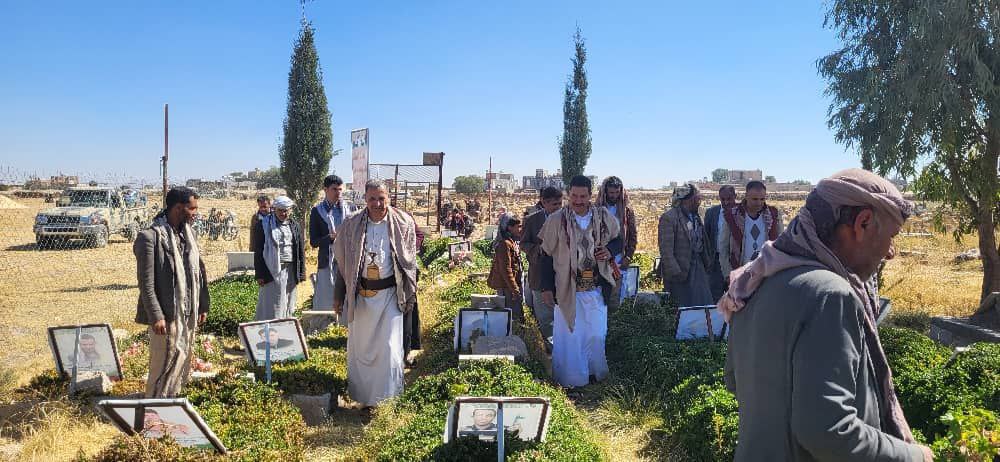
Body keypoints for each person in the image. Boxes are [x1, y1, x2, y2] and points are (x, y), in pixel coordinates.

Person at [721, 169, 932, 461]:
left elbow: (734, 381)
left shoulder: (753, 282)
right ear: (863, 223)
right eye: (891, 236)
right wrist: (914, 456)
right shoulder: (831, 295)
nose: (890, 252)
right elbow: (827, 430)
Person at [333, 180, 418, 408]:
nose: (377, 204)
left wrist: (410, 293)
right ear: (365, 199)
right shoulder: (352, 224)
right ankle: (364, 400)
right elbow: (343, 263)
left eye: (381, 198)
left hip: (390, 296)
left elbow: (410, 263)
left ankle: (387, 401)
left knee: (389, 348)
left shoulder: (403, 222)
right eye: (372, 199)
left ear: (388, 198)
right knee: (362, 350)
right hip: (361, 296)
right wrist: (339, 295)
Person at [539, 175, 620, 388]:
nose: (578, 200)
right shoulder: (556, 220)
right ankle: (571, 379)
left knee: (596, 333)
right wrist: (546, 287)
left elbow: (618, 240)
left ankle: (594, 374)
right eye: (574, 196)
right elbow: (545, 256)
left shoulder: (602, 216)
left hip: (595, 288)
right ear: (569, 194)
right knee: (571, 335)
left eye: (583, 196)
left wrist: (609, 251)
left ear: (590, 195)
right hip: (567, 289)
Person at [134, 186, 210, 398]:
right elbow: (146, 283)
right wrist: (156, 315)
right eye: (192, 208)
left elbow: (199, 271)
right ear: (178, 208)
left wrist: (202, 304)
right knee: (163, 363)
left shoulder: (188, 234)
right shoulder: (150, 238)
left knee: (182, 360)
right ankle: (154, 405)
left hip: (187, 312)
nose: (195, 213)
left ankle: (174, 402)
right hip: (167, 315)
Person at [519, 186, 563, 351]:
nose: (558, 208)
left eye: (560, 204)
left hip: (562, 275)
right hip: (539, 275)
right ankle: (553, 351)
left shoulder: (568, 218)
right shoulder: (532, 221)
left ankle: (564, 348)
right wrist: (538, 249)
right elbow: (523, 244)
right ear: (544, 203)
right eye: (554, 204)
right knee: (545, 317)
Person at [658, 183, 715, 307]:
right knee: (682, 308)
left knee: (703, 306)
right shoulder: (669, 218)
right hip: (680, 273)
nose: (699, 201)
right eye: (697, 197)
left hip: (698, 269)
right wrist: (676, 272)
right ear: (689, 199)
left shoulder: (696, 217)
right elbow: (666, 251)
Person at [309, 175, 356, 325]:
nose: (338, 193)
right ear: (325, 190)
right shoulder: (317, 211)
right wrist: (330, 237)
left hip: (347, 260)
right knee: (326, 297)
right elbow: (314, 241)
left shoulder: (351, 209)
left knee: (347, 296)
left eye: (340, 189)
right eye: (334, 189)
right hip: (327, 261)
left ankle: (345, 328)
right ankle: (324, 328)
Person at [253, 196, 306, 321]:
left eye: (286, 210)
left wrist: (301, 272)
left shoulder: (294, 225)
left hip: (291, 269)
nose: (283, 213)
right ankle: (270, 329)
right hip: (272, 269)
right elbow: (258, 250)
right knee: (272, 302)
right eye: (280, 210)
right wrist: (260, 274)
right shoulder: (263, 225)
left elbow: (299, 248)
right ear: (274, 209)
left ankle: (285, 325)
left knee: (288, 300)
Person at [720, 180, 784, 280]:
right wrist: (728, 274)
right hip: (740, 273)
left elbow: (781, 243)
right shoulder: (732, 216)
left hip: (767, 273)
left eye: (762, 199)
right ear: (746, 196)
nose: (759, 203)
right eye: (754, 199)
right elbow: (723, 248)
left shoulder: (773, 214)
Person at [595, 176, 637, 307]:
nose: (614, 196)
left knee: (616, 296)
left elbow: (632, 236)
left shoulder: (627, 211)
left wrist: (628, 256)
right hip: (600, 258)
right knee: (599, 296)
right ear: (605, 192)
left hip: (619, 259)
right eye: (611, 192)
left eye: (617, 192)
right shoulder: (596, 210)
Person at [487, 213, 524, 321]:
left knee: (515, 315)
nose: (520, 229)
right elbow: (506, 269)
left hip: (510, 286)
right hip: (507, 287)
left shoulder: (512, 242)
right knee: (512, 317)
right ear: (509, 227)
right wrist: (514, 289)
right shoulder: (504, 244)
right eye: (518, 227)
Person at [704, 185, 737, 299]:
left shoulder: (742, 212)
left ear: (735, 196)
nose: (726, 202)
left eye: (729, 199)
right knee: (714, 296)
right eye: (723, 199)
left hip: (735, 262)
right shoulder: (711, 213)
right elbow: (706, 237)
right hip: (716, 262)